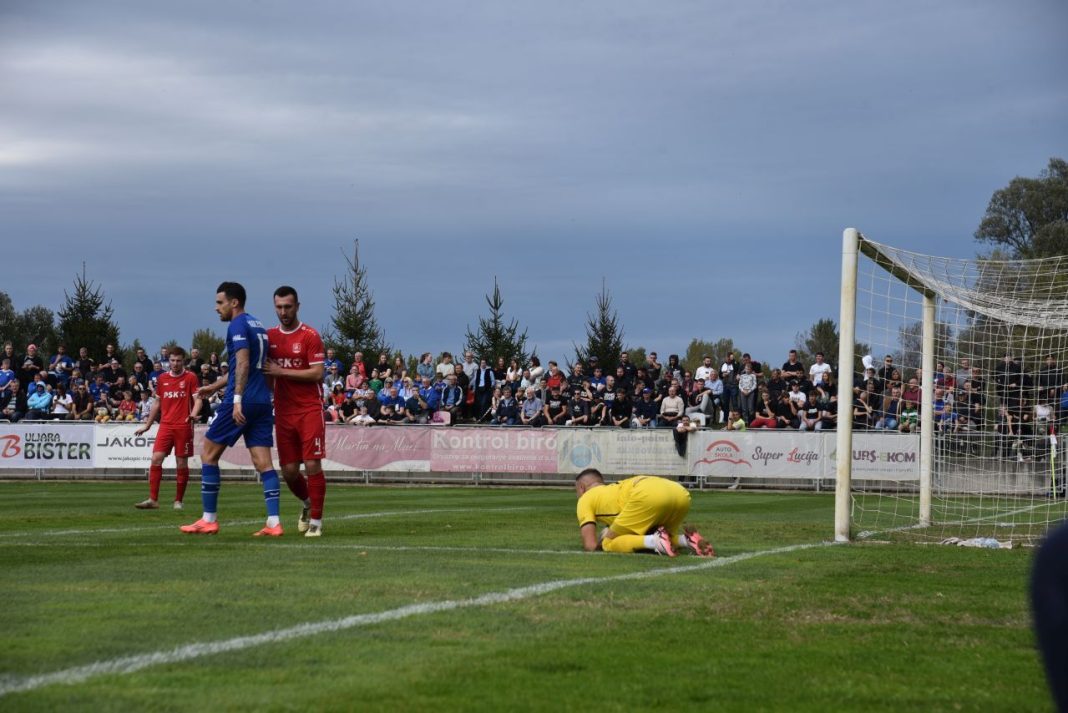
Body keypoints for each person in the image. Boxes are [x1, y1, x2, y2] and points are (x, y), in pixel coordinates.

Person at [180, 282, 283, 537]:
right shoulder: (257, 324)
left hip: (243, 400)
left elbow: (244, 363)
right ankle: (274, 523)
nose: (217, 308)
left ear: (234, 302)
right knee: (263, 463)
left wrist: (236, 399)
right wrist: (213, 386)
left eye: (219, 302)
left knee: (208, 454)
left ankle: (209, 519)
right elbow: (245, 366)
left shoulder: (237, 325)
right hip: (261, 401)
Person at [265, 286, 328, 538]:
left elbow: (317, 373)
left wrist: (282, 372)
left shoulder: (310, 336)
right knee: (289, 472)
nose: (283, 311)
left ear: (297, 306)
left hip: (310, 409)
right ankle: (307, 503)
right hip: (283, 412)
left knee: (312, 463)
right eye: (279, 307)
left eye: (288, 307)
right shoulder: (269, 338)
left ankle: (316, 522)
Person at [573, 469, 714, 556]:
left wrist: (603, 540)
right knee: (660, 536)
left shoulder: (585, 498)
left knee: (609, 543)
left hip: (647, 494)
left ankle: (656, 541)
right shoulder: (611, 489)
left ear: (581, 488)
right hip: (680, 493)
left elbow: (590, 546)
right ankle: (687, 540)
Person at [134, 347, 202, 510]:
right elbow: (157, 403)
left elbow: (198, 400)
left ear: (183, 361)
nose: (175, 363)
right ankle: (153, 499)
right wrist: (147, 425)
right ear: (168, 361)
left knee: (181, 463)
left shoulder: (191, 377)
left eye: (178, 361)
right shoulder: (162, 379)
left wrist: (193, 414)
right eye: (172, 360)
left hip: (183, 425)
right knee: (156, 458)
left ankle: (178, 501)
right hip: (165, 425)